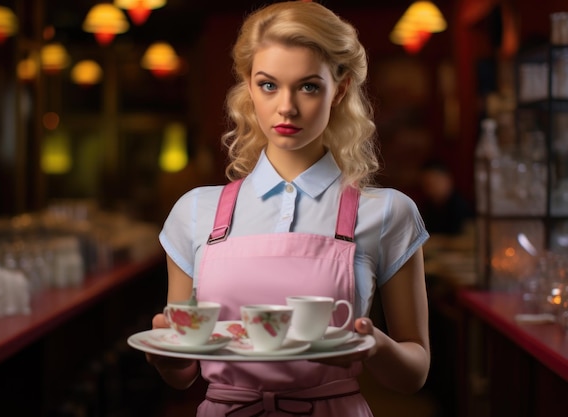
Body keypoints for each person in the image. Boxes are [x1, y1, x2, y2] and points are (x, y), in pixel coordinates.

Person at [147, 2, 430, 415]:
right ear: (248, 85)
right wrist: (166, 358)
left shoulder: (387, 213)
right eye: (268, 85)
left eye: (309, 86)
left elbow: (414, 373)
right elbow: (184, 372)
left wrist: (373, 344)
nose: (287, 107)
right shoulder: (194, 212)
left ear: (342, 89)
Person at [418, 160, 473, 236]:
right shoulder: (428, 207)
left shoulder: (460, 205)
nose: (432, 188)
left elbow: (465, 239)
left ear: (448, 180)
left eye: (435, 182)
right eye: (427, 184)